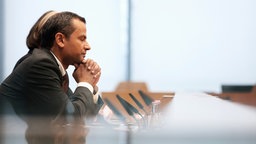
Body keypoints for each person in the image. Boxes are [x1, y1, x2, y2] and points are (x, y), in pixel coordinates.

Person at [0, 11, 103, 144]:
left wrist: (90, 85)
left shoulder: (54, 67)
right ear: (60, 40)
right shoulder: (41, 64)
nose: (88, 46)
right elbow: (71, 118)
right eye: (82, 39)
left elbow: (81, 114)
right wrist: (85, 83)